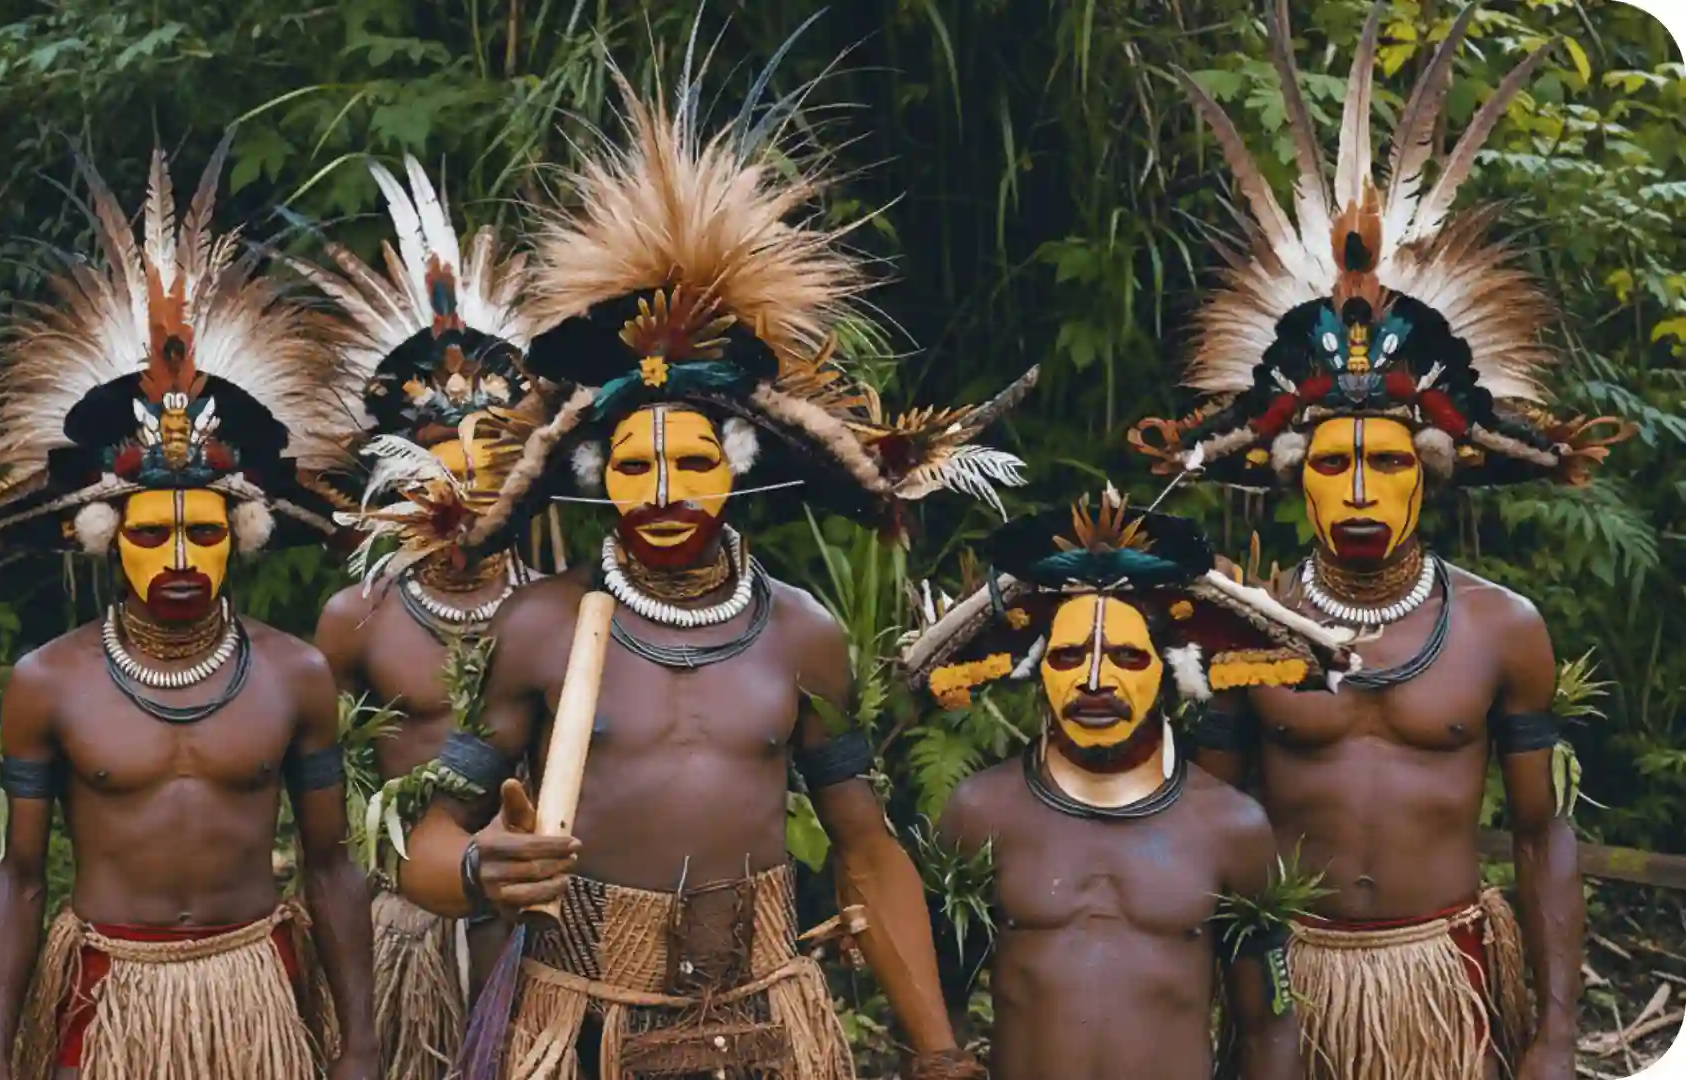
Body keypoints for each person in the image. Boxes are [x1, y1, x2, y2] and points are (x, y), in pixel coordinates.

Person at [384, 30, 1034, 1080]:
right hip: (583, 1021)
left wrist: (939, 1050)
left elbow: (863, 845)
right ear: (600, 474)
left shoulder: (801, 633)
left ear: (734, 466)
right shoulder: (542, 626)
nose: (666, 487)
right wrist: (475, 867)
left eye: (692, 457)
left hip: (766, 1020)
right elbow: (427, 845)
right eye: (636, 461)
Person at [1128, 5, 1632, 1079]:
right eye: (1331, 461)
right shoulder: (1242, 632)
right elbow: (1207, 839)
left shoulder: (1503, 630)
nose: (1360, 488)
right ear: (1293, 478)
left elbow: (1544, 840)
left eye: (1391, 461)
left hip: (1444, 991)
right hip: (1289, 1002)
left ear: (1432, 476)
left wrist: (1552, 1034)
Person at [0, 138, 379, 1080]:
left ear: (243, 534)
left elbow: (333, 865)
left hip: (257, 992)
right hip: (110, 999)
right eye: (150, 533)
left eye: (204, 531)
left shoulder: (296, 673)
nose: (180, 557)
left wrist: (361, 1043)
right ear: (104, 536)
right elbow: (15, 876)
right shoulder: (46, 683)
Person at [902, 489, 1357, 1080]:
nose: (1094, 680)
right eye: (1067, 657)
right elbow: (942, 1010)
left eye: (1125, 656)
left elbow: (1268, 1025)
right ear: (1037, 669)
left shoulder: (1229, 827)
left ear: (1168, 673)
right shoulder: (982, 812)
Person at [295, 153, 538, 1080]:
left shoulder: (563, 612)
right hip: (407, 929)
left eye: (491, 457)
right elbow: (326, 819)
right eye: (441, 459)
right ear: (397, 471)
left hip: (544, 925)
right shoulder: (356, 619)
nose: (465, 480)